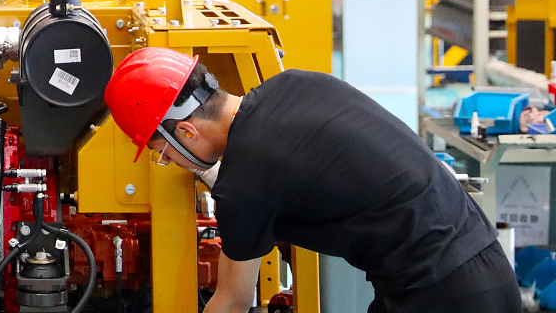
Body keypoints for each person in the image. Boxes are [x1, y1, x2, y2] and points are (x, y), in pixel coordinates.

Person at [104, 47, 520, 313]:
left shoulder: (245, 184)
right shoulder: (294, 83)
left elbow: (231, 301)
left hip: (441, 295)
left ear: (187, 131)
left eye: (164, 154)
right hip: (482, 266)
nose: (172, 163)